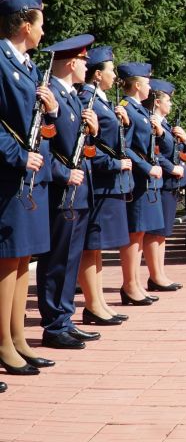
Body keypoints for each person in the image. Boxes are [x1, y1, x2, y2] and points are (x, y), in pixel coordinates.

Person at [0, 0, 58, 379]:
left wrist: (52, 111)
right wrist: (19, 157)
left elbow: (38, 126)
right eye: (39, 22)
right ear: (25, 26)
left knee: (23, 258)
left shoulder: (29, 66)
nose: (42, 30)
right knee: (7, 259)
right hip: (9, 174)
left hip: (30, 175)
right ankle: (3, 342)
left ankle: (18, 337)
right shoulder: (1, 63)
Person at [37, 34, 102, 350]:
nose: (87, 66)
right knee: (57, 259)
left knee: (72, 257)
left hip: (80, 190)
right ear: (73, 62)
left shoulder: (75, 98)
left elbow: (83, 151)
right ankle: (53, 324)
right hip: (62, 189)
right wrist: (63, 174)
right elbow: (44, 143)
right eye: (84, 60)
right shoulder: (52, 96)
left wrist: (93, 134)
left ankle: (65, 318)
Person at [77, 46, 131, 326]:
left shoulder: (102, 100)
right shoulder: (88, 101)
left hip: (106, 184)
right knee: (91, 246)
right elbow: (86, 147)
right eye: (111, 70)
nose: (115, 75)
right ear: (97, 75)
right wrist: (115, 164)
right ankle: (92, 305)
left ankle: (98, 302)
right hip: (97, 182)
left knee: (97, 247)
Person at [117, 62, 166, 304]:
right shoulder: (127, 108)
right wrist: (147, 167)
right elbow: (123, 146)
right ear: (137, 85)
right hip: (137, 179)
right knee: (134, 233)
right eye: (147, 82)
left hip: (145, 180)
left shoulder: (140, 110)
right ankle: (129, 285)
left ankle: (134, 283)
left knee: (139, 233)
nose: (150, 86)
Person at [145, 79, 186, 291]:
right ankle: (155, 276)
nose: (170, 104)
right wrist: (171, 168)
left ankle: (160, 273)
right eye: (168, 100)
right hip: (161, 182)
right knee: (156, 232)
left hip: (170, 183)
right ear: (158, 102)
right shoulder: (154, 123)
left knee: (163, 233)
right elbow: (154, 154)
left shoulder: (165, 124)